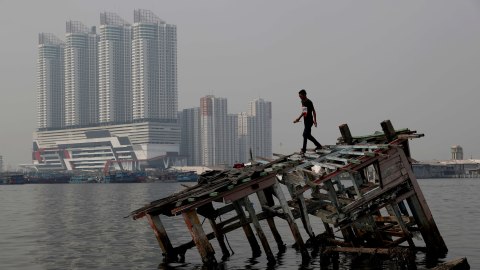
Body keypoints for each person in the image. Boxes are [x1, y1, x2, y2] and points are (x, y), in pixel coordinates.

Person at [293, 89, 322, 154]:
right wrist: (299, 118)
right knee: (308, 135)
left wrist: (315, 120)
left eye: (300, 96)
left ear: (304, 95)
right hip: (305, 121)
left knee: (305, 134)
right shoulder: (302, 101)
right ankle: (319, 145)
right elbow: (304, 111)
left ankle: (304, 150)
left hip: (310, 121)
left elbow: (313, 111)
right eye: (299, 96)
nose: (299, 97)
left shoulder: (309, 102)